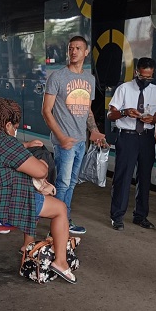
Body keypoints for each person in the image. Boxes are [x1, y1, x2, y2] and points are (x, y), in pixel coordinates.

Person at [0, 98, 77, 283]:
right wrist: (41, 163)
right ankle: (61, 262)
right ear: (8, 124)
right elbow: (41, 171)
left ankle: (28, 244)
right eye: (14, 128)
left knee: (33, 190)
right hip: (8, 203)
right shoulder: (4, 142)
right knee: (60, 209)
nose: (14, 132)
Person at [42, 35, 105, 235]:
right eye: (71, 48)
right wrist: (61, 137)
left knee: (71, 184)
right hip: (65, 142)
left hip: (80, 142)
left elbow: (88, 110)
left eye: (78, 48)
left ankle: (64, 220)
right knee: (62, 183)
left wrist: (93, 130)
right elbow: (46, 111)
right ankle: (57, 226)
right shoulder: (58, 77)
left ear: (86, 52)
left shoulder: (89, 79)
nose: (74, 51)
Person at [108, 57, 156, 231]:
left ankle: (141, 216)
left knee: (145, 178)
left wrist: (152, 119)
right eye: (143, 76)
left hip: (146, 137)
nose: (146, 80)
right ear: (136, 72)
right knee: (123, 177)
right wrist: (124, 112)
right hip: (128, 137)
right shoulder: (124, 89)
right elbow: (111, 115)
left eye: (149, 77)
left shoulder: (155, 90)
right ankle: (117, 216)